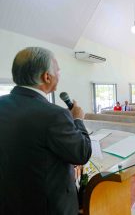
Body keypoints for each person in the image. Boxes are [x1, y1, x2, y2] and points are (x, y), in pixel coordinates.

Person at [0, 47, 92, 215]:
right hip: (48, 207)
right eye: (58, 70)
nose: (59, 73)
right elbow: (82, 153)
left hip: (9, 202)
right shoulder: (55, 115)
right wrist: (78, 119)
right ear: (47, 77)